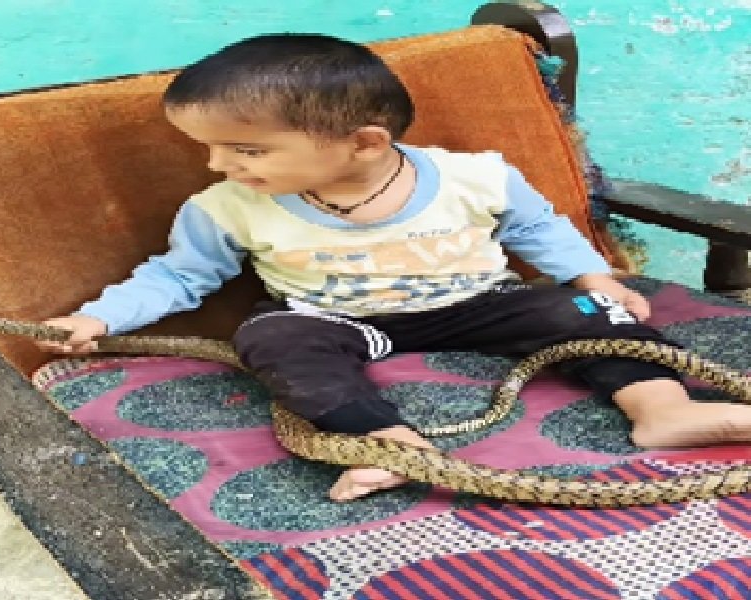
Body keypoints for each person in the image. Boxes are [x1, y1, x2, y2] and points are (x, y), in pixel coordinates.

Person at [38, 33, 751, 502]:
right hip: (334, 319)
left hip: (483, 302)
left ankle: (663, 410)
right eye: (210, 149)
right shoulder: (225, 206)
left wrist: (594, 277)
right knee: (272, 337)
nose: (219, 164)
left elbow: (537, 229)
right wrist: (99, 318)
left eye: (245, 150)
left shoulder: (475, 177)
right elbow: (178, 276)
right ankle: (387, 443)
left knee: (590, 312)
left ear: (365, 143)